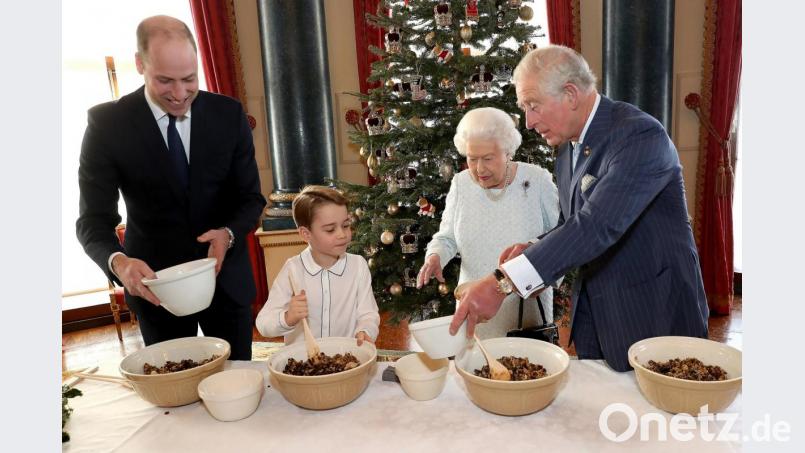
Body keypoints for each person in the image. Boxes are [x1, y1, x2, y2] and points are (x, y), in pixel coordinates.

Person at [450, 45, 709, 372]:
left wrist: (503, 282)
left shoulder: (639, 136)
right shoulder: (568, 147)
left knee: (660, 422)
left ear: (570, 94)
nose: (528, 122)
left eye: (533, 106)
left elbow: (595, 226)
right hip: (596, 317)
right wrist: (534, 247)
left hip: (653, 313)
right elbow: (571, 223)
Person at [76, 16, 266, 360]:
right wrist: (119, 263)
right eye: (165, 81)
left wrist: (229, 234)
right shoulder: (107, 125)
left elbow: (251, 198)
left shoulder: (229, 115)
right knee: (174, 401)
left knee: (238, 394)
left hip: (226, 286)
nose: (180, 95)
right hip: (155, 291)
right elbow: (91, 221)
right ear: (139, 64)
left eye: (189, 79)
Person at [417, 107, 560, 339]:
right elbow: (447, 237)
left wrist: (545, 278)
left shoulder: (537, 180)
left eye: (488, 159)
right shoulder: (461, 184)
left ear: (508, 152)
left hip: (524, 312)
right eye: (472, 159)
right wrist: (435, 257)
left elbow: (560, 239)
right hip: (473, 308)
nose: (479, 169)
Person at [256, 186, 380, 346]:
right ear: (306, 234)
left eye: (346, 225)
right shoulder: (292, 269)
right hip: (303, 365)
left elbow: (368, 314)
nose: (342, 234)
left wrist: (365, 331)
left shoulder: (358, 266)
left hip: (345, 360)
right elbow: (263, 324)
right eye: (330, 229)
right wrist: (288, 317)